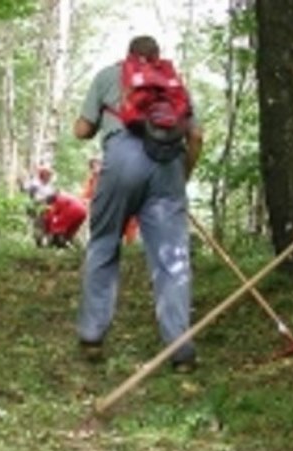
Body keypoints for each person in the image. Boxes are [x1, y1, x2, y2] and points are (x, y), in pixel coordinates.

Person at [72, 35, 203, 372]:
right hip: (168, 165)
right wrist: (181, 177)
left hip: (122, 160)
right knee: (172, 260)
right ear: (158, 58)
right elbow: (196, 136)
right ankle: (180, 351)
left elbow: (82, 130)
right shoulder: (174, 85)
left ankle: (92, 337)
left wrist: (100, 116)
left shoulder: (108, 76)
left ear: (128, 55)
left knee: (103, 243)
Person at [80, 156, 139, 244]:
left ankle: (131, 247)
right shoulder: (92, 180)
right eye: (93, 166)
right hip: (104, 210)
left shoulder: (114, 175)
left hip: (123, 206)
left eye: (98, 164)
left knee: (130, 226)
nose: (96, 168)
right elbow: (85, 197)